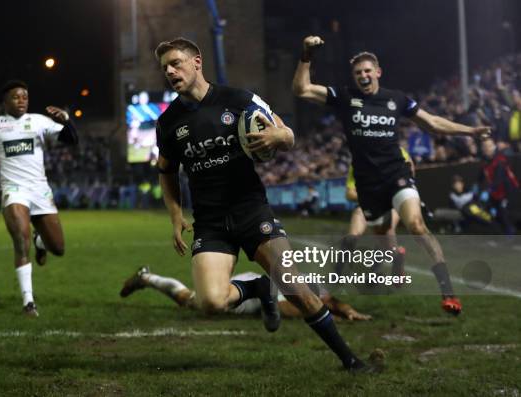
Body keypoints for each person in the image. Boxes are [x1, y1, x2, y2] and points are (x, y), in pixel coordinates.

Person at [155, 37, 375, 371]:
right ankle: (258, 287)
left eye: (176, 63)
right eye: (165, 68)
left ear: (197, 62)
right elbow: (167, 172)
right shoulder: (168, 122)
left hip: (250, 209)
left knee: (299, 291)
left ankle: (351, 361)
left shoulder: (237, 99)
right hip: (211, 221)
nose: (170, 71)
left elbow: (288, 135)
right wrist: (175, 215)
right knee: (211, 302)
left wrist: (277, 136)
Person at [292, 36, 491, 315]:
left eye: (367, 70)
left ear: (378, 72)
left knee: (416, 225)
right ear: (355, 76)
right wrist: (306, 56)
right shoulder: (345, 97)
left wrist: (469, 131)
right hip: (368, 184)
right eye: (358, 72)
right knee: (385, 238)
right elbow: (301, 89)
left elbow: (432, 122)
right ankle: (395, 259)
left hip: (396, 174)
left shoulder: (396, 99)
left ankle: (448, 292)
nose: (363, 75)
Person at [0, 80, 78, 316]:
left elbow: (71, 140)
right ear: (5, 101)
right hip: (13, 189)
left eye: (25, 97)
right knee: (20, 240)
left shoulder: (38, 121)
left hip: (39, 190)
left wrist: (66, 120)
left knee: (58, 248)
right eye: (17, 97)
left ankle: (41, 242)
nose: (22, 101)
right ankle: (28, 301)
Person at [120, 267, 372, 321]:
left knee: (196, 299)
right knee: (194, 301)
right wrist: (328, 317)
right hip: (250, 293)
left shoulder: (309, 282)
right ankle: (147, 277)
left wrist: (347, 311)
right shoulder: (296, 286)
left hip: (252, 282)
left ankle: (147, 277)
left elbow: (329, 301)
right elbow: (285, 309)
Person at [336, 147, 411, 282]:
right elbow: (349, 193)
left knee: (385, 232)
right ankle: (339, 271)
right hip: (367, 204)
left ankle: (378, 271)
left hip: (391, 203)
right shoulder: (359, 161)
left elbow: (409, 177)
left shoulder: (400, 152)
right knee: (352, 237)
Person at [480, 137, 519, 235]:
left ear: (494, 146)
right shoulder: (485, 162)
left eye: (489, 146)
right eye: (485, 146)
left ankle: (511, 237)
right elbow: (483, 178)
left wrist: (487, 191)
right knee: (496, 216)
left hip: (508, 192)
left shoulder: (500, 160)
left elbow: (499, 179)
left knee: (505, 216)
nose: (487, 148)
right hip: (496, 194)